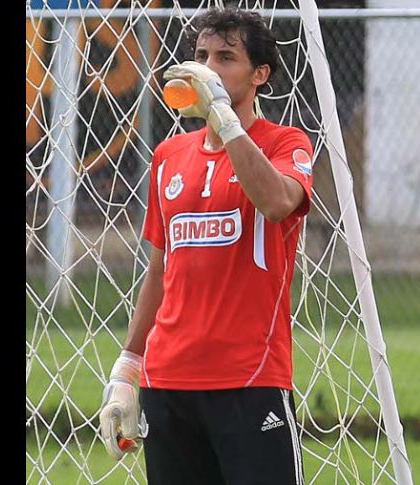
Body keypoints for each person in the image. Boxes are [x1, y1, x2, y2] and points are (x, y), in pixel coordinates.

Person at [99, 7, 312, 484]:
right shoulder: (168, 156)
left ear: (260, 74)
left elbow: (278, 202)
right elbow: (159, 271)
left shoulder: (285, 143)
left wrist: (225, 120)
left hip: (249, 380)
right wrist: (126, 371)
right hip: (168, 382)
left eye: (225, 57)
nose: (208, 68)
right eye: (200, 55)